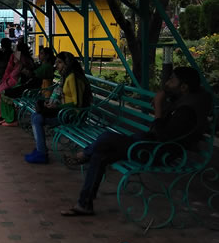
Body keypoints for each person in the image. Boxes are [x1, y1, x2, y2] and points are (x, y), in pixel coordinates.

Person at [61, 67, 210, 216]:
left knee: (107, 137)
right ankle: (84, 204)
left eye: (172, 80)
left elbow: (164, 136)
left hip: (158, 152)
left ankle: (83, 155)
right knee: (100, 153)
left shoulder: (187, 110)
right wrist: (165, 97)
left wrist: (158, 107)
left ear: (184, 87)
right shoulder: (185, 100)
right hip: (151, 145)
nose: (167, 83)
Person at [25, 51, 92, 164]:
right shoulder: (67, 76)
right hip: (65, 112)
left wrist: (58, 107)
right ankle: (40, 150)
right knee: (36, 115)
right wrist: (54, 105)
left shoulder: (73, 77)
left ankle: (41, 152)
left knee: (37, 118)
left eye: (60, 62)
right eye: (56, 62)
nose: (57, 65)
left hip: (72, 115)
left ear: (68, 63)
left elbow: (77, 103)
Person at [1, 47, 56, 127]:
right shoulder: (42, 65)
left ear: (47, 56)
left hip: (32, 90)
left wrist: (24, 70)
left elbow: (32, 75)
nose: (39, 55)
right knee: (3, 91)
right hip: (31, 88)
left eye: (41, 53)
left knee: (4, 93)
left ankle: (10, 119)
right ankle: (8, 118)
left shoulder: (46, 67)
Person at [0, 42, 34, 122]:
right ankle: (0, 114)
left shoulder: (16, 56)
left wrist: (5, 79)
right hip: (19, 81)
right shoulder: (28, 59)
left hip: (14, 81)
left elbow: (10, 70)